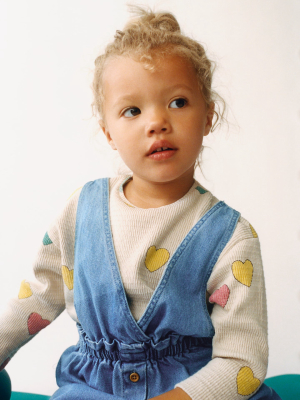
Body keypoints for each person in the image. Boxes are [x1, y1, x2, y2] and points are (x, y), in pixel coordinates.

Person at [0, 6, 281, 400]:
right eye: (132, 110)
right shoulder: (81, 210)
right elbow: (38, 295)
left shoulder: (232, 238)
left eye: (178, 102)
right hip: (95, 392)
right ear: (109, 132)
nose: (157, 122)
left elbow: (242, 362)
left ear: (209, 116)